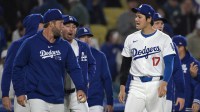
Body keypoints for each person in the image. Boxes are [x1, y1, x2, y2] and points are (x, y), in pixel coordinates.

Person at [12, 9, 86, 112]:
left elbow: (74, 68)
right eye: (60, 23)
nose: (62, 27)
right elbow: (17, 67)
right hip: (37, 96)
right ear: (51, 24)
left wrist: (80, 87)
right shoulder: (31, 43)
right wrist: (20, 92)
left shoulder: (64, 46)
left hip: (58, 97)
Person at [118, 4, 176, 112]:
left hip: (156, 84)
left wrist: (164, 82)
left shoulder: (164, 38)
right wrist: (122, 86)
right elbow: (125, 65)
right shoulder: (131, 38)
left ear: (149, 19)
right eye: (136, 16)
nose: (136, 19)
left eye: (139, 17)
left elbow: (169, 64)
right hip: (136, 85)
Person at [1, 14, 44, 112]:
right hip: (23, 96)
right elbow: (8, 71)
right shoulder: (17, 45)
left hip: (43, 96)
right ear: (36, 25)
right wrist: (5, 94)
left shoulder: (46, 44)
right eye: (42, 23)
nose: (45, 26)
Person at [61, 15, 96, 112]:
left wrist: (87, 78)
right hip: (59, 94)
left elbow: (92, 64)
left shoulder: (83, 46)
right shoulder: (55, 46)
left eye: (74, 27)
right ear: (61, 27)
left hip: (77, 92)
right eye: (68, 26)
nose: (71, 29)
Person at [153, 13, 185, 111]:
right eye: (157, 23)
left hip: (166, 95)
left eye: (162, 23)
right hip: (145, 94)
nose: (160, 26)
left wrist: (180, 94)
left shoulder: (171, 45)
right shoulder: (141, 44)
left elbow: (177, 71)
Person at [76, 27, 114, 112]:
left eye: (88, 36)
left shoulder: (100, 56)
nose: (86, 39)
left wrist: (110, 101)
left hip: (95, 103)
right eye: (83, 37)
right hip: (77, 102)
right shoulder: (72, 56)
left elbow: (107, 79)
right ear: (76, 39)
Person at [172, 35, 200, 112]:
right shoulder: (169, 62)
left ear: (182, 47)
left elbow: (199, 83)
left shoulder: (194, 64)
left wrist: (197, 100)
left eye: (176, 46)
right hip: (170, 104)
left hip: (188, 105)